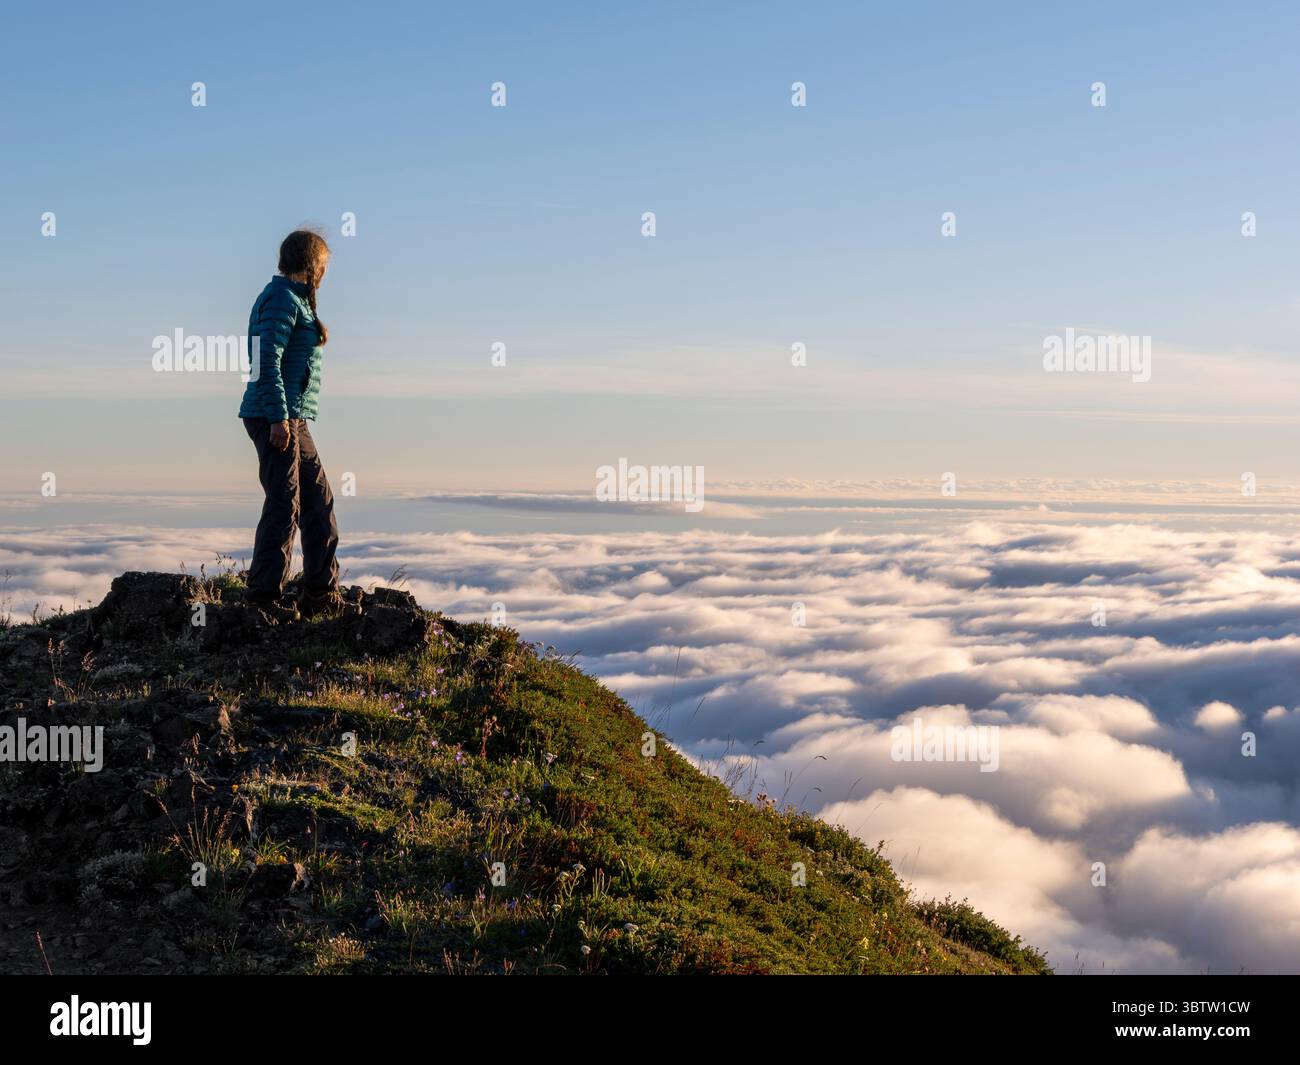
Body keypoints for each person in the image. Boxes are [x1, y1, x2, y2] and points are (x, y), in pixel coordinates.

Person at [238, 229, 341, 617]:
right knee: (285, 505)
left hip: (293, 417)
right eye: (325, 266)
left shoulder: (296, 299)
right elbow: (266, 361)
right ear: (312, 263)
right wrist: (280, 418)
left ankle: (319, 592)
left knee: (318, 502)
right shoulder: (282, 297)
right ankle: (262, 600)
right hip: (274, 415)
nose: (326, 274)